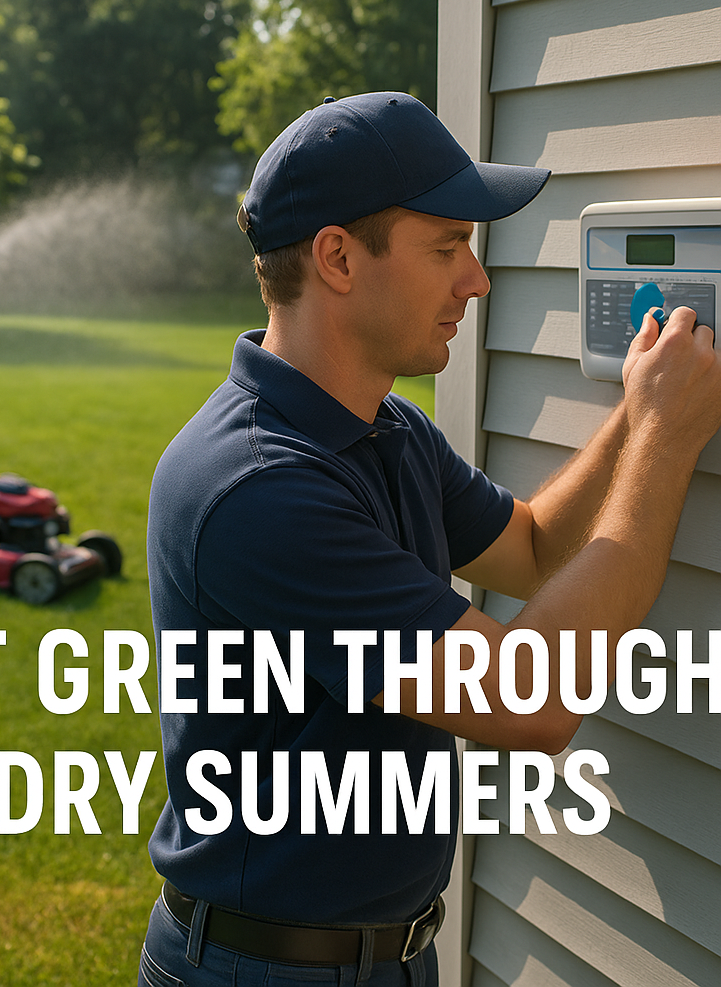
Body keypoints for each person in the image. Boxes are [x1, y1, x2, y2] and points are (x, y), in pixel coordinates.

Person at [139, 92, 721, 987]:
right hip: (266, 969)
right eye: (447, 246)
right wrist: (665, 442)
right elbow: (531, 702)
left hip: (387, 955)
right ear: (337, 258)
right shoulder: (261, 488)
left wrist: (637, 408)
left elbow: (528, 547)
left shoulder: (385, 428)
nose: (478, 280)